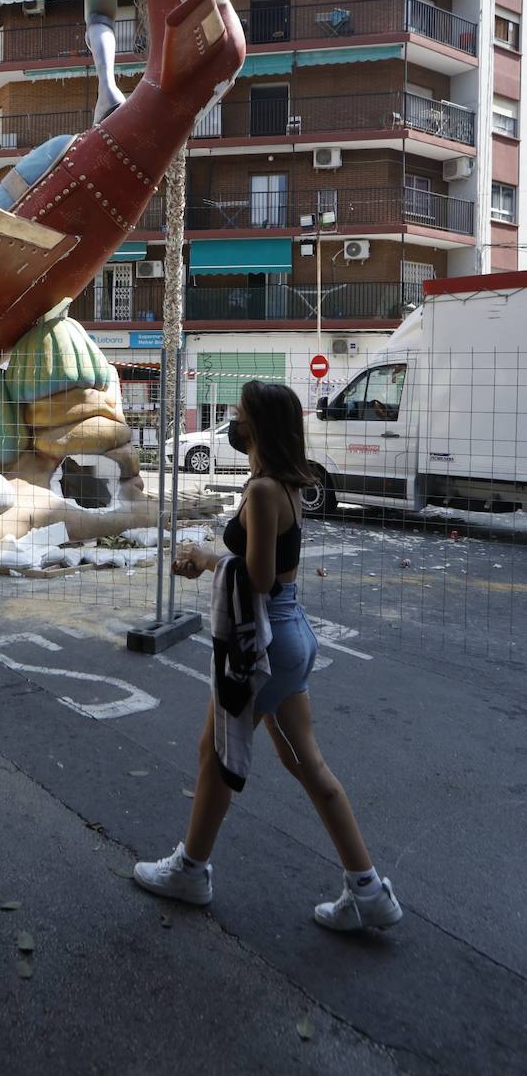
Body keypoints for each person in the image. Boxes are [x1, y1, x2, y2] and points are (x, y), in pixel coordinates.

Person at [134, 380, 402, 933]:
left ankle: (191, 869)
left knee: (214, 751)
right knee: (305, 763)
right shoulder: (285, 484)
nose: (233, 424)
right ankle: (368, 890)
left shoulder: (262, 492)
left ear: (259, 428)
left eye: (239, 416)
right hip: (290, 636)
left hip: (263, 642)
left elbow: (255, 576)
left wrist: (207, 557)